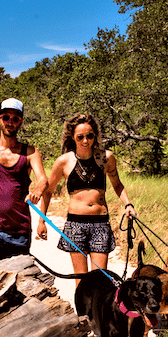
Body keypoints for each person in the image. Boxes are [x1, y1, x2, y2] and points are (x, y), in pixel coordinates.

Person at [30, 113, 137, 282]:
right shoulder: (63, 161)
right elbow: (48, 191)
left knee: (100, 281)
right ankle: (81, 310)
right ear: (73, 137)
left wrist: (128, 204)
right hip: (75, 225)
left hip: (100, 224)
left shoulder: (106, 158)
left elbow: (117, 184)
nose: (85, 141)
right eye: (80, 137)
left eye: (90, 136)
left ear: (95, 136)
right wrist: (41, 221)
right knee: (81, 280)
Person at [0, 98, 49, 264]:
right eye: (6, 117)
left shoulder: (30, 152)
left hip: (20, 231)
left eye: (15, 119)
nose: (10, 122)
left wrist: (37, 191)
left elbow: (43, 179)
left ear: (20, 122)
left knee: (20, 282)